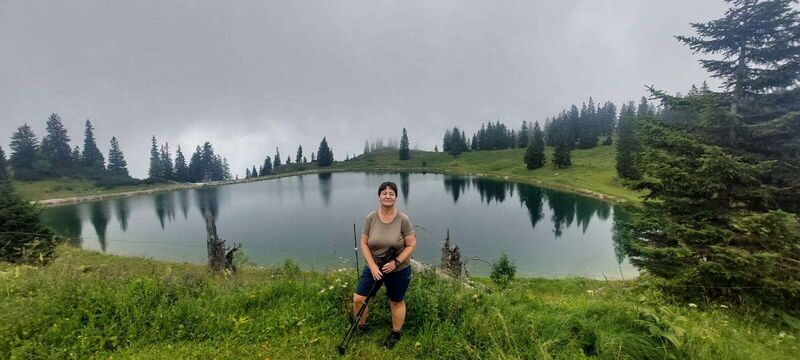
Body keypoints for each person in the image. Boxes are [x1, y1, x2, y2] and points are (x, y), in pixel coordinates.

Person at [353, 181, 417, 349]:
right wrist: (373, 266)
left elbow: (411, 245)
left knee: (396, 301)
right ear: (379, 196)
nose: (388, 196)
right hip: (374, 266)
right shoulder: (371, 217)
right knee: (359, 298)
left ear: (396, 197)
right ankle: (361, 326)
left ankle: (396, 333)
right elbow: (364, 243)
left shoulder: (403, 219)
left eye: (391, 193)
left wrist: (396, 263)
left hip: (398, 269)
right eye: (384, 193)